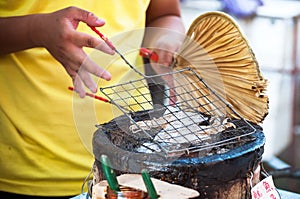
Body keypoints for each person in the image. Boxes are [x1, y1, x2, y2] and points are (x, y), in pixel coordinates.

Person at [0, 0, 185, 198]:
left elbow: (164, 14)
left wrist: (167, 38)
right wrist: (35, 30)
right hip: (26, 173)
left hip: (134, 170)